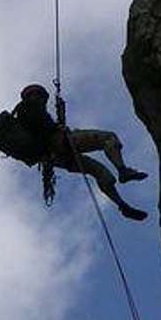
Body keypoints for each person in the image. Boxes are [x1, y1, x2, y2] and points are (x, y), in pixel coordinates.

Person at [13, 84, 149, 221]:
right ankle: (123, 170)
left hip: (57, 158)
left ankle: (122, 205)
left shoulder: (24, 115)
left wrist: (60, 116)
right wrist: (58, 127)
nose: (41, 99)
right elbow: (46, 130)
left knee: (99, 171)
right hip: (61, 144)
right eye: (40, 96)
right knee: (108, 138)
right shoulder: (30, 109)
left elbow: (46, 131)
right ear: (35, 95)